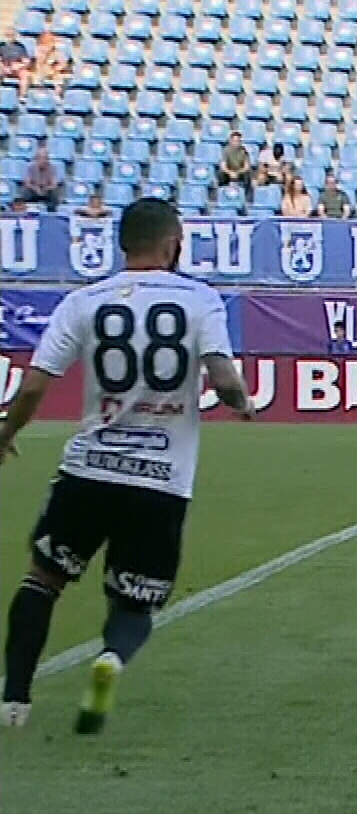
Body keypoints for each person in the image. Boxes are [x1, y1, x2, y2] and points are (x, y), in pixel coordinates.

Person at [0, 199, 256, 732]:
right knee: (133, 605)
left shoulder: (84, 301)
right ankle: (110, 659)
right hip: (160, 483)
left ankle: (15, 701)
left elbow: (35, 384)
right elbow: (225, 379)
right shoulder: (199, 299)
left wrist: (6, 434)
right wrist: (241, 402)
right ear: (171, 243)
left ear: (123, 243)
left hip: (88, 470)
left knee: (42, 580)